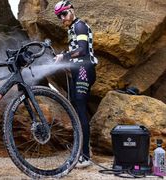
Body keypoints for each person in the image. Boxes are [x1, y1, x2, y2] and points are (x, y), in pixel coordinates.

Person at [53, 0, 98, 168]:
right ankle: (85, 148)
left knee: (79, 110)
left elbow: (83, 50)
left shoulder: (79, 26)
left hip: (84, 70)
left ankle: (85, 156)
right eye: (59, 16)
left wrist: (63, 56)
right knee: (75, 109)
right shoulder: (72, 28)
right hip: (78, 71)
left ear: (71, 10)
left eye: (64, 14)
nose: (62, 18)